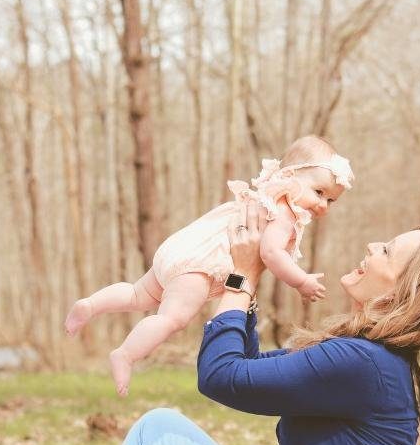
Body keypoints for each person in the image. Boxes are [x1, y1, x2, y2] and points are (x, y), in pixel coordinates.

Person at [90, 200, 420, 445]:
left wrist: (240, 279)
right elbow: (251, 371)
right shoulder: (376, 363)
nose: (371, 246)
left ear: (401, 293)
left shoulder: (363, 364)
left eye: (386, 251)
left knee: (153, 432)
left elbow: (221, 376)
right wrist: (249, 281)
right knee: (158, 429)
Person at [65, 136, 354, 396]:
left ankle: (91, 305)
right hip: (200, 266)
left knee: (138, 294)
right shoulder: (284, 212)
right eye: (319, 192)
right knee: (172, 319)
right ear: (290, 176)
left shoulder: (265, 195)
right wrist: (300, 281)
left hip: (183, 247)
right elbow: (270, 253)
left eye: (331, 200)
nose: (323, 205)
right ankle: (126, 354)